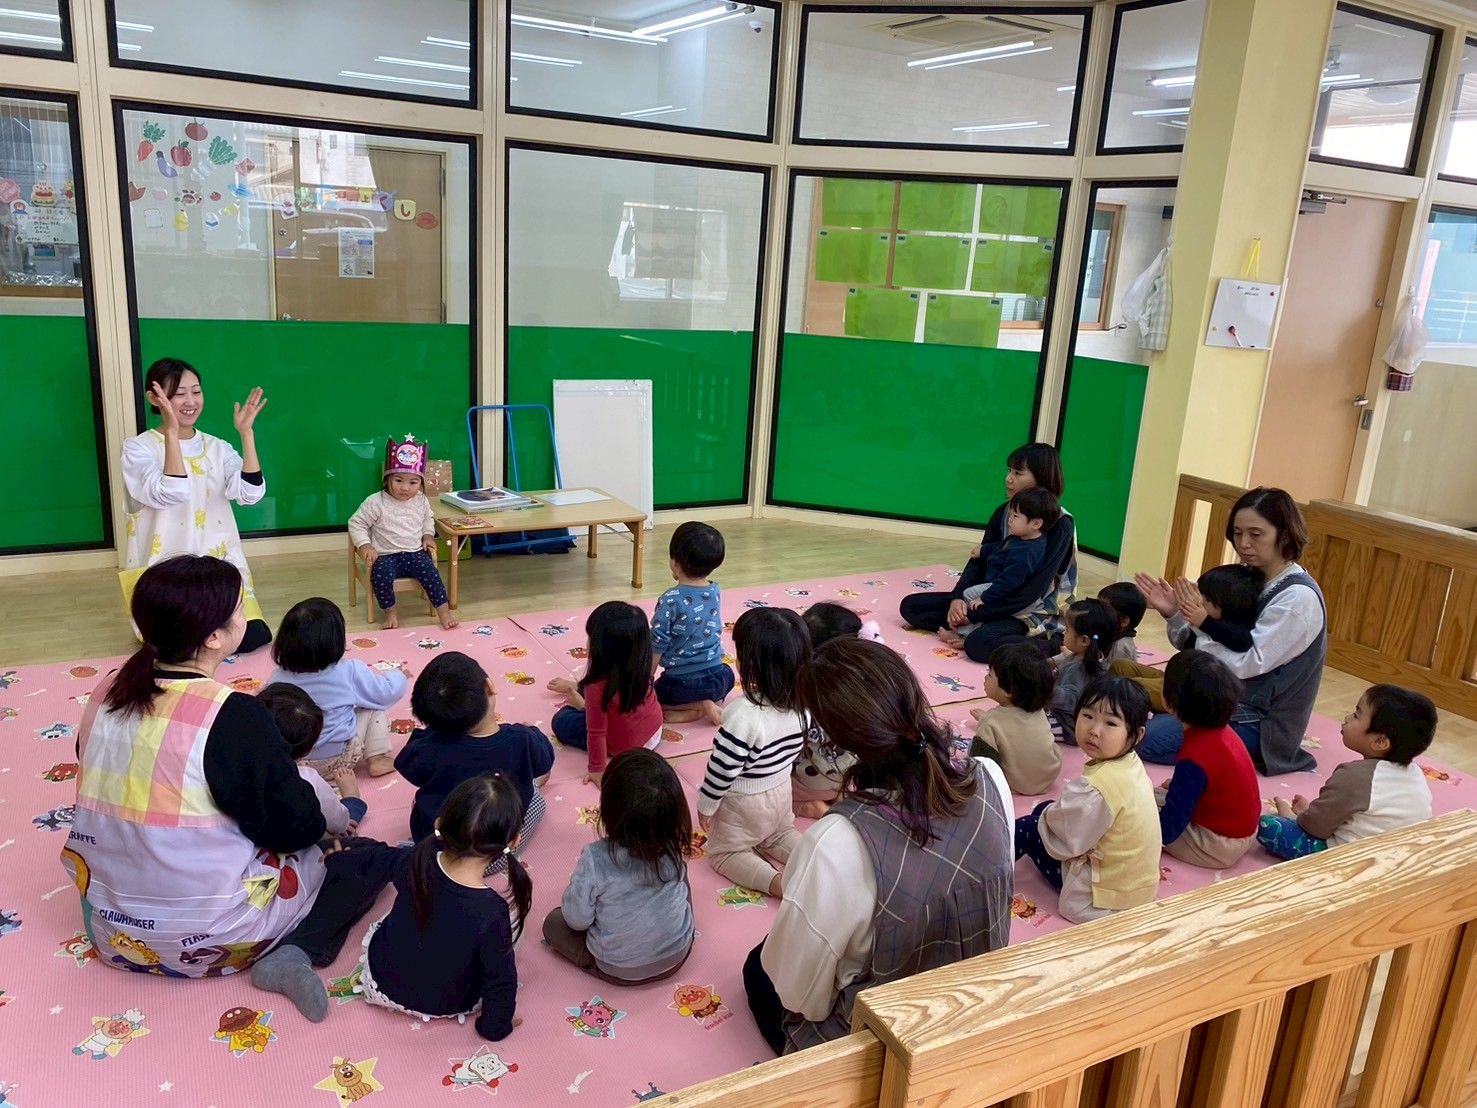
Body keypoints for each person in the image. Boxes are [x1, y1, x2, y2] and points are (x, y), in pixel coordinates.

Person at [61, 555, 404, 1022]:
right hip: (212, 939)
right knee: (361, 856)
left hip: (110, 927)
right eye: (241, 608)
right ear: (214, 637)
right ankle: (298, 951)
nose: (247, 615)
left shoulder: (108, 689)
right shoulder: (231, 715)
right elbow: (293, 828)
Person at [744, 638, 1013, 1055]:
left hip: (884, 1047)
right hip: (974, 1008)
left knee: (759, 967)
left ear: (836, 748)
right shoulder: (991, 777)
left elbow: (800, 998)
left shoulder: (837, 842)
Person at [1135, 488, 1327, 775]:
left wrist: (1200, 622)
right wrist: (1175, 613)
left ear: (1285, 535)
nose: (1244, 544)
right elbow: (1202, 644)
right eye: (1237, 533)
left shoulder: (1297, 599)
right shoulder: (1249, 577)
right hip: (1216, 693)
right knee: (1125, 695)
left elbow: (1244, 663)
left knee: (1145, 737)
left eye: (1255, 534)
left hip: (1258, 721)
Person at [358, 774, 528, 1041]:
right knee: (513, 933)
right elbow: (501, 980)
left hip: (382, 979)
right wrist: (495, 1027)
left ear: (440, 822)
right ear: (514, 842)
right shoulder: (493, 911)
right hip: (446, 1002)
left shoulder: (416, 857)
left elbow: (373, 860)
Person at [119, 358, 273, 653]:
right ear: (154, 398)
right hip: (167, 577)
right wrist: (172, 434)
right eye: (178, 394)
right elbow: (170, 492)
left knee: (255, 636)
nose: (190, 402)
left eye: (196, 391)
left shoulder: (218, 447)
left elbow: (250, 493)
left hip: (217, 576)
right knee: (174, 643)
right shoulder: (138, 449)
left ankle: (205, 632)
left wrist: (246, 434)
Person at [899, 442, 1079, 663]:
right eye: (1009, 471)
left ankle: (1050, 645)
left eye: (1018, 473)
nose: (1008, 479)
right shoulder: (1004, 512)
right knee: (912, 607)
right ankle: (979, 629)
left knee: (977, 644)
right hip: (986, 597)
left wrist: (974, 615)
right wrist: (958, 600)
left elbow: (1033, 590)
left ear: (1041, 478)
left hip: (1026, 609)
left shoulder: (1060, 524)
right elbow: (979, 561)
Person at [542, 749, 696, 985]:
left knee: (553, 924)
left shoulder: (596, 858)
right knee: (681, 879)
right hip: (678, 952)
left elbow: (576, 920)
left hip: (619, 968)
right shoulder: (673, 843)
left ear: (609, 812)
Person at [1014, 677, 1159, 924]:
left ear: (1136, 735)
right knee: (1045, 810)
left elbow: (1067, 841)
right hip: (1136, 887)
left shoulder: (1097, 788)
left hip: (1103, 898)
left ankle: (981, 870)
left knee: (1028, 828)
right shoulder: (1130, 764)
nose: (1094, 730)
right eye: (1088, 716)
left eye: (1110, 723)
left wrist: (1044, 821)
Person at [697, 608, 811, 898]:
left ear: (749, 665)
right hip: (780, 793)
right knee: (779, 835)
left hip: (743, 803)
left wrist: (706, 805)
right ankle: (818, 863)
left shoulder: (743, 714)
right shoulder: (804, 706)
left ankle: (776, 884)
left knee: (724, 853)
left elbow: (722, 770)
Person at [1257, 685, 1436, 860]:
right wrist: (1310, 811)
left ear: (1380, 742)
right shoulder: (1416, 773)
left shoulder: (1355, 776)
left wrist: (1294, 817)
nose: (1347, 717)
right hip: (1405, 858)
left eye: (1356, 715)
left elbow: (1316, 827)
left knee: (1270, 826)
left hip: (1354, 860)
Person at [394, 652, 554, 847]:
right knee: (536, 800)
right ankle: (533, 787)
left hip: (437, 846)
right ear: (489, 687)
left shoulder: (429, 746)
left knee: (424, 802)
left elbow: (408, 766)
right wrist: (533, 731)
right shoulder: (523, 738)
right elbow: (545, 762)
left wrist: (432, 733)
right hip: (493, 850)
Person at [266, 597, 407, 780]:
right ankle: (377, 758)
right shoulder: (349, 671)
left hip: (295, 762)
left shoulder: (276, 679)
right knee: (372, 708)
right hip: (339, 762)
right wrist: (397, 675)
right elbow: (386, 693)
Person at [1155, 652, 1261, 868]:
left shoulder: (1195, 754)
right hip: (1243, 831)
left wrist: (1152, 840)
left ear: (1171, 700)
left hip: (1217, 845)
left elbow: (1173, 819)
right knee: (1150, 796)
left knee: (1135, 816)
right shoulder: (1223, 731)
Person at [1112, 564, 1263, 712]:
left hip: (1192, 694)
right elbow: (1187, 643)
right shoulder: (1208, 621)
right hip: (1180, 678)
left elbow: (1241, 643)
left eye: (1205, 599)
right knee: (1121, 666)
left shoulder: (1237, 632)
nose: (1199, 603)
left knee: (1125, 686)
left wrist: (1204, 622)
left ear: (1222, 604)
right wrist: (1173, 613)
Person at [547, 601, 664, 786]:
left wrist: (597, 769)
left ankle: (582, 705)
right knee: (606, 698)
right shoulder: (641, 665)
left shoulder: (596, 686)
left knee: (561, 720)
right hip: (654, 732)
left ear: (603, 649)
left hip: (625, 747)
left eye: (591, 638)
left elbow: (596, 732)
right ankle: (581, 697)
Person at [347, 434, 457, 631]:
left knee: (432, 574)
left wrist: (428, 535)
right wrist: (365, 545)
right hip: (385, 555)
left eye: (413, 483)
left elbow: (427, 519)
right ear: (387, 479)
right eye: (398, 480)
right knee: (381, 576)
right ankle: (390, 613)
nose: (405, 488)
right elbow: (356, 523)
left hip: (415, 553)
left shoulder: (421, 500)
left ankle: (444, 612)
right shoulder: (376, 502)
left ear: (420, 484)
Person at [940, 487, 1062, 650]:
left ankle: (965, 635)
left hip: (1010, 592)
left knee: (969, 594)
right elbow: (1002, 547)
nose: (1010, 519)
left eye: (1016, 516)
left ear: (1036, 523)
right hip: (1002, 585)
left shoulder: (1027, 553)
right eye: (1011, 514)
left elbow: (1009, 581)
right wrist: (984, 550)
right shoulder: (1021, 538)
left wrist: (985, 598)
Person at [790, 602, 881, 819]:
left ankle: (810, 807)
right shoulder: (867, 679)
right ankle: (839, 795)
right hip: (850, 776)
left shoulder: (799, 684)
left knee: (762, 787)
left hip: (811, 780)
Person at [650, 521, 735, 725]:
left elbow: (658, 642)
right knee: (725, 679)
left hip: (682, 683)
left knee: (651, 699)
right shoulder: (714, 590)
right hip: (721, 677)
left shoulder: (670, 600)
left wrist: (648, 678)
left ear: (674, 562)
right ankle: (709, 702)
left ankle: (699, 706)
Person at [257, 682, 365, 834]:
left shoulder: (231, 762)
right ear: (308, 748)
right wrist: (350, 797)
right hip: (290, 844)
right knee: (346, 825)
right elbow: (339, 824)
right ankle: (352, 798)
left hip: (249, 841)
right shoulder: (307, 779)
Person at [969, 642, 1059, 796]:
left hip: (1015, 785)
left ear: (1009, 690)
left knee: (974, 746)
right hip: (1048, 777)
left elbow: (981, 764)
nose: (985, 677)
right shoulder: (1039, 711)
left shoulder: (991, 722)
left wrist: (984, 722)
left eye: (989, 675)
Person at [1047, 599, 1117, 742]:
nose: (1063, 632)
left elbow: (1070, 701)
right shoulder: (1091, 657)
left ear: (1084, 640)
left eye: (1067, 629)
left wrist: (1046, 688)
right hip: (1070, 719)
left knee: (1026, 722)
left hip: (1069, 726)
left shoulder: (1079, 668)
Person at [1097, 582, 1147, 665]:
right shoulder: (1108, 633)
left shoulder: (1122, 647)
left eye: (1103, 610)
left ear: (1123, 621)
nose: (1096, 612)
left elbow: (1115, 672)